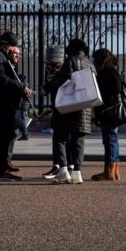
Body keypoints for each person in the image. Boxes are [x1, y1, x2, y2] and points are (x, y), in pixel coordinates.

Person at [45, 38, 94, 184]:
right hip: (85, 106)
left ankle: (63, 171)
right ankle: (77, 172)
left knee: (60, 137)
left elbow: (61, 81)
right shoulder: (90, 63)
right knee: (79, 140)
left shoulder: (71, 60)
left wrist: (49, 84)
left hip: (70, 105)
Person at [0, 32, 31, 181]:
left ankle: (2, 167)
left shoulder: (1, 55)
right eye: (13, 47)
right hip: (0, 103)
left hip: (4, 103)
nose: (15, 50)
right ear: (7, 45)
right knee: (1, 136)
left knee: (5, 135)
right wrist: (20, 87)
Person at [90, 47, 125, 181]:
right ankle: (114, 170)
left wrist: (102, 93)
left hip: (109, 112)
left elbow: (116, 88)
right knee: (112, 139)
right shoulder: (111, 71)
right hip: (110, 111)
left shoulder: (109, 72)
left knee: (110, 139)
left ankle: (109, 172)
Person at [41, 46, 66, 179]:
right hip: (58, 108)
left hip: (62, 110)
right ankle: (58, 165)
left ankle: (61, 166)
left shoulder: (59, 74)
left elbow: (47, 89)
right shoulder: (54, 73)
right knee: (58, 139)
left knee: (59, 140)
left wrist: (49, 81)